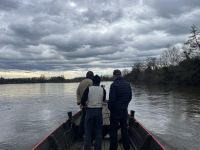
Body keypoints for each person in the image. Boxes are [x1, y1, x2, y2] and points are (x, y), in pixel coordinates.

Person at [108, 69, 132, 150]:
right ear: (121, 75)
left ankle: (113, 148)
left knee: (113, 131)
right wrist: (125, 105)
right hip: (124, 110)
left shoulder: (114, 85)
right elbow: (130, 97)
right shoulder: (128, 84)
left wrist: (111, 109)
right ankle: (127, 147)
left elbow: (111, 100)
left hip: (115, 112)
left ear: (114, 76)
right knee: (124, 130)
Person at [81, 75, 106, 150]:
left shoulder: (88, 89)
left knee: (88, 132)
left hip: (89, 111)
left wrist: (85, 105)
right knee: (98, 132)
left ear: (93, 81)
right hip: (98, 112)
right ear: (99, 82)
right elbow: (103, 99)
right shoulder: (103, 90)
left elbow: (82, 101)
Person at [76, 71, 94, 137]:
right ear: (92, 76)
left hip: (83, 105)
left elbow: (77, 92)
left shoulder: (81, 82)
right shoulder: (91, 82)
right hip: (89, 105)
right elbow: (92, 93)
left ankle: (80, 134)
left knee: (83, 119)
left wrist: (78, 101)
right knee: (89, 121)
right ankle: (89, 135)